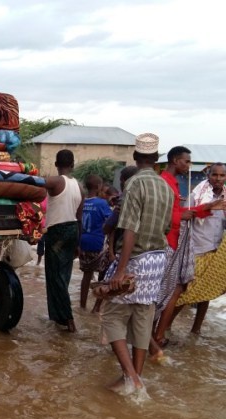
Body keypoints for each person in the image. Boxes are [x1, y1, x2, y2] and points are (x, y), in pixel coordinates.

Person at [101, 133, 174, 395]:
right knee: (143, 319)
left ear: (135, 156)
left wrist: (120, 270)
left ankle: (131, 378)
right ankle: (134, 377)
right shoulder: (165, 187)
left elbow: (129, 228)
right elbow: (166, 227)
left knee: (112, 317)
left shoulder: (133, 184)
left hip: (136, 259)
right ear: (156, 159)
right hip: (157, 258)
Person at [151, 146, 223, 351]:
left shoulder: (172, 184)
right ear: (175, 160)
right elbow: (165, 214)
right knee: (179, 291)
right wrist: (200, 209)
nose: (218, 179)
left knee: (198, 292)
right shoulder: (187, 189)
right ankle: (158, 334)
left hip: (207, 248)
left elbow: (181, 212)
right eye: (186, 161)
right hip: (184, 246)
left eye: (222, 175)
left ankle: (162, 334)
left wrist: (204, 209)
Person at [174, 163, 226, 334]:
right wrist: (209, 206)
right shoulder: (197, 194)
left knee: (207, 293)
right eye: (215, 175)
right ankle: (165, 327)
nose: (218, 179)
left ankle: (196, 329)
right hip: (196, 249)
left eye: (222, 175)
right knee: (186, 292)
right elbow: (184, 215)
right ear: (208, 175)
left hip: (216, 250)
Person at [43, 149, 84, 332]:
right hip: (73, 230)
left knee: (55, 276)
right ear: (73, 165)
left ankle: (68, 319)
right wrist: (78, 243)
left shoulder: (56, 181)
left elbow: (36, 183)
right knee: (64, 275)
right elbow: (80, 216)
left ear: (56, 164)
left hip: (57, 232)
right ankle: (59, 317)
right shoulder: (79, 186)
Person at [92, 166, 139, 314]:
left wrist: (111, 252)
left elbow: (108, 229)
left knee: (109, 285)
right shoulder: (137, 200)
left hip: (120, 252)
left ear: (123, 181)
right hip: (135, 253)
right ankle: (97, 308)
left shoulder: (122, 202)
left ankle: (98, 309)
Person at [79, 174, 112, 310]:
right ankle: (96, 308)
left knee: (86, 276)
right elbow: (111, 222)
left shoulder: (82, 202)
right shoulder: (102, 203)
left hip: (83, 242)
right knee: (102, 275)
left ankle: (82, 305)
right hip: (97, 243)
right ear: (99, 187)